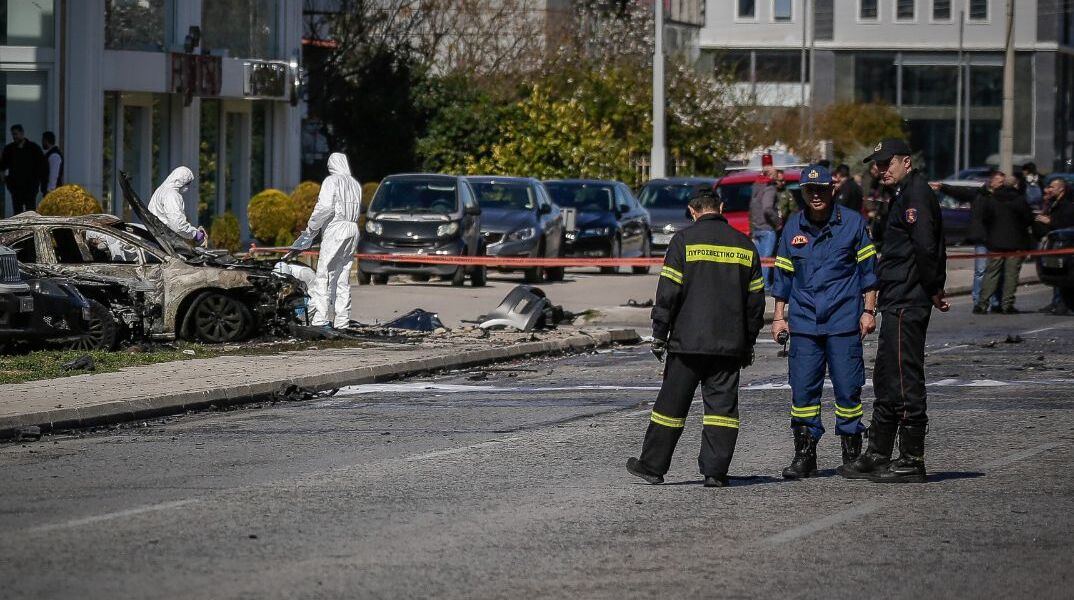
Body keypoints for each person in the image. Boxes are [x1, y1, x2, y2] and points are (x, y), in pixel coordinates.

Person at [626, 188, 765, 488]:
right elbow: (756, 303)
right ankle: (715, 472)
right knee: (722, 412)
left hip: (687, 343)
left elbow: (668, 293)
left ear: (692, 210)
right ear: (722, 207)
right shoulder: (745, 245)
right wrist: (748, 341)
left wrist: (660, 334)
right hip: (729, 345)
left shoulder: (683, 242)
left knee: (670, 408)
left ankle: (652, 466)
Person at [838, 139, 948, 484]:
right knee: (886, 375)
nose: (879, 169)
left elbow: (926, 248)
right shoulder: (902, 194)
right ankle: (878, 452)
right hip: (896, 296)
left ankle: (912, 458)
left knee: (904, 376)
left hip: (909, 298)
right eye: (876, 164)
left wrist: (933, 288)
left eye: (886, 163)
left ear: (906, 162)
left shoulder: (916, 196)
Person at [771, 164, 878, 478]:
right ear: (803, 192)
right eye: (810, 190)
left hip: (844, 321)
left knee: (848, 390)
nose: (816, 195)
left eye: (821, 189)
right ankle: (805, 454)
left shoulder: (853, 224)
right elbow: (783, 277)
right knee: (803, 392)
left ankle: (851, 452)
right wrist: (779, 318)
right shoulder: (793, 227)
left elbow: (869, 274)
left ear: (832, 189)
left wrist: (869, 311)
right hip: (804, 324)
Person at [298, 152, 362, 330]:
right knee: (343, 276)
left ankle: (320, 319)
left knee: (324, 274)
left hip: (336, 229)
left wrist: (312, 228)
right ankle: (342, 320)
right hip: (352, 229)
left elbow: (325, 207)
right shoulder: (355, 184)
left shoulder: (331, 181)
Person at [932, 171, 1005, 312]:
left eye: (1003, 182)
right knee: (981, 271)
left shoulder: (1003, 197)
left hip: (998, 239)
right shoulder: (979, 195)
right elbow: (960, 192)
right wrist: (943, 187)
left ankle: (996, 302)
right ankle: (978, 301)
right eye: (999, 181)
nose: (1001, 185)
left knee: (997, 272)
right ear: (992, 181)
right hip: (982, 238)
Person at [972, 176, 1033, 314]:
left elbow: (985, 218)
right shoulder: (1019, 200)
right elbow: (1028, 219)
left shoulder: (992, 199)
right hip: (1015, 242)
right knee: (1011, 275)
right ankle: (1007, 304)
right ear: (1016, 185)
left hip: (995, 242)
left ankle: (981, 304)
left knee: (991, 274)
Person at [1035, 178, 1074, 315]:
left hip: (1064, 246)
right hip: (1052, 245)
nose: (1049, 189)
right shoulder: (1053, 203)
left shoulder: (1067, 205)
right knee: (1054, 273)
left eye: (1052, 187)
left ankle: (1062, 302)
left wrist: (1049, 221)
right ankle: (1056, 301)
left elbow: (1067, 225)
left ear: (1061, 189)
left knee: (1063, 274)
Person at [148, 166, 205, 244]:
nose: (187, 187)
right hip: (165, 240)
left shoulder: (160, 190)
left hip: (156, 236)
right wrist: (196, 234)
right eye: (187, 184)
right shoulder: (172, 195)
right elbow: (177, 226)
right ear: (181, 181)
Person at [749, 154, 780, 290]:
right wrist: (778, 222)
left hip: (757, 227)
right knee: (767, 260)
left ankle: (758, 285)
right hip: (767, 228)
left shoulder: (756, 186)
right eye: (776, 172)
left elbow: (752, 207)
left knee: (760, 260)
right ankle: (766, 286)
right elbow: (768, 209)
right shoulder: (769, 188)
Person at [0, 124, 45, 215]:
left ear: (22, 133)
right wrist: (5, 181)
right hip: (16, 187)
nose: (14, 136)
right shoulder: (9, 149)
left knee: (30, 211)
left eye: (16, 134)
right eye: (13, 134)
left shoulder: (33, 148)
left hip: (31, 186)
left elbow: (42, 165)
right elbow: (2, 166)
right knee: (17, 212)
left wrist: (38, 181)